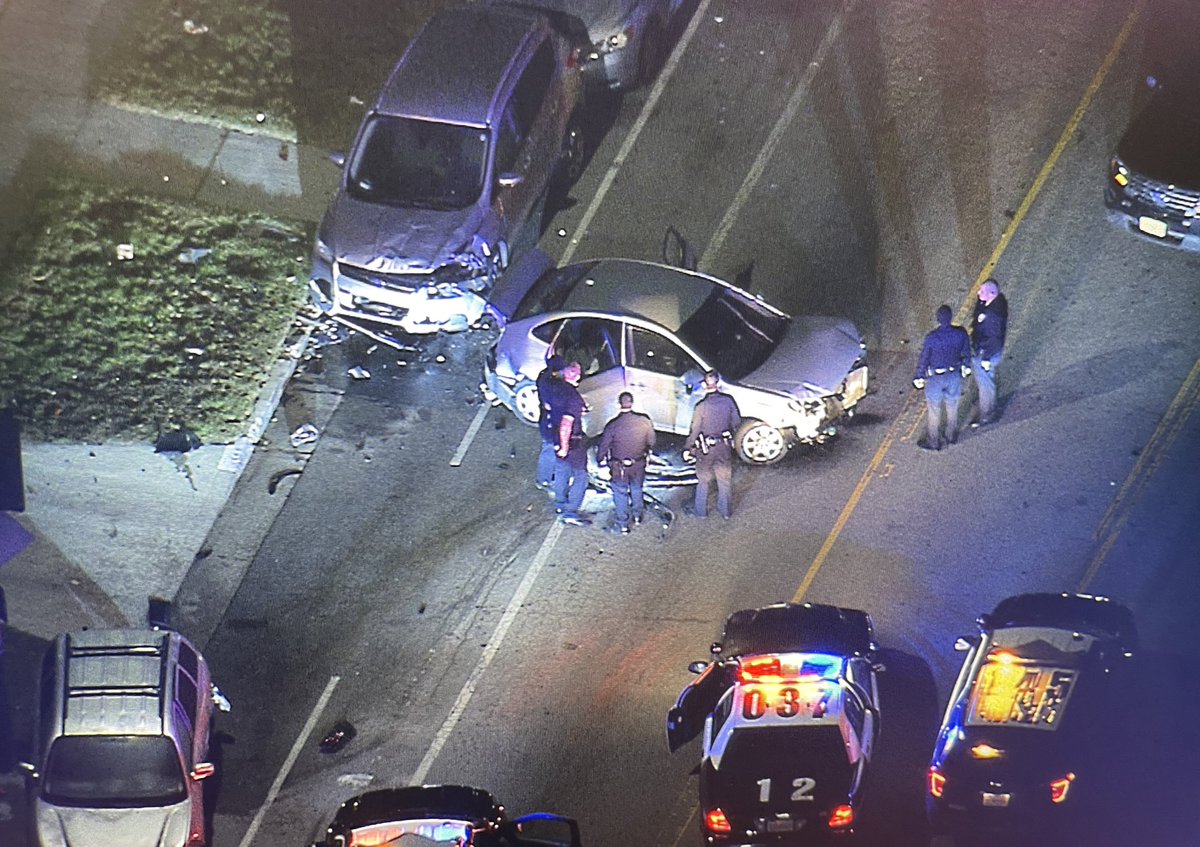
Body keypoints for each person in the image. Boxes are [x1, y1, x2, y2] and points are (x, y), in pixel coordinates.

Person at [913, 305, 972, 450]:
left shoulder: (932, 338)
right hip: (953, 375)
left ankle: (934, 441)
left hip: (935, 378)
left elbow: (924, 358)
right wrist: (966, 366)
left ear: (938, 319)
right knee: (952, 405)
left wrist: (919, 376)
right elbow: (966, 352)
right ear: (951, 317)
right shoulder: (961, 333)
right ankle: (950, 435)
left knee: (934, 409)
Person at [597, 392, 656, 534]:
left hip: (619, 467)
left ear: (619, 404)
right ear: (632, 403)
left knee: (620, 493)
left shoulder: (613, 425)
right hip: (638, 463)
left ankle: (623, 524)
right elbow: (652, 442)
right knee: (637, 489)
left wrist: (600, 459)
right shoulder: (644, 421)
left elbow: (604, 446)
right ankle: (637, 516)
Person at [685, 370, 742, 519]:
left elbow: (695, 429)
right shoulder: (728, 400)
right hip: (723, 447)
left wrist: (689, 447)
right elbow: (736, 422)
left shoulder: (701, 406)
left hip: (705, 450)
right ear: (718, 383)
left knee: (703, 480)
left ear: (705, 385)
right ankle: (725, 512)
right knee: (724, 480)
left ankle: (701, 512)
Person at [550, 362, 590, 527]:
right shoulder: (573, 397)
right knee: (581, 475)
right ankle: (570, 512)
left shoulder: (557, 388)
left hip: (555, 434)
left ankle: (560, 504)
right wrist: (566, 445)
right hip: (572, 440)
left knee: (561, 469)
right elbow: (567, 423)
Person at [970, 278, 1008, 427]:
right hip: (984, 348)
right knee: (985, 381)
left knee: (985, 382)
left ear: (992, 293)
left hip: (987, 353)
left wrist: (985, 357)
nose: (978, 293)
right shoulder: (995, 303)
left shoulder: (993, 316)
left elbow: (994, 338)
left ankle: (987, 413)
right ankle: (986, 401)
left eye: (982, 291)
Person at [534, 355, 567, 491]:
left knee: (551, 447)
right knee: (549, 448)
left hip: (546, 419)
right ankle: (544, 479)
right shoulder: (550, 384)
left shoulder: (543, 377)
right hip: (550, 422)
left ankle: (548, 476)